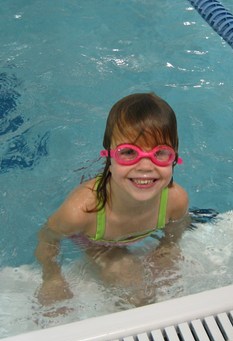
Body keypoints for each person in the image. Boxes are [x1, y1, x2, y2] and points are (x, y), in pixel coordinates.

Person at [35, 93, 189, 306]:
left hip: (128, 235)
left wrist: (168, 246)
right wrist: (51, 277)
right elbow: (48, 237)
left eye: (160, 153)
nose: (145, 166)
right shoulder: (81, 211)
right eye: (128, 152)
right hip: (94, 240)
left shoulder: (175, 200)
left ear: (175, 158)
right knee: (135, 289)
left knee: (171, 279)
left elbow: (176, 229)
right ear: (108, 156)